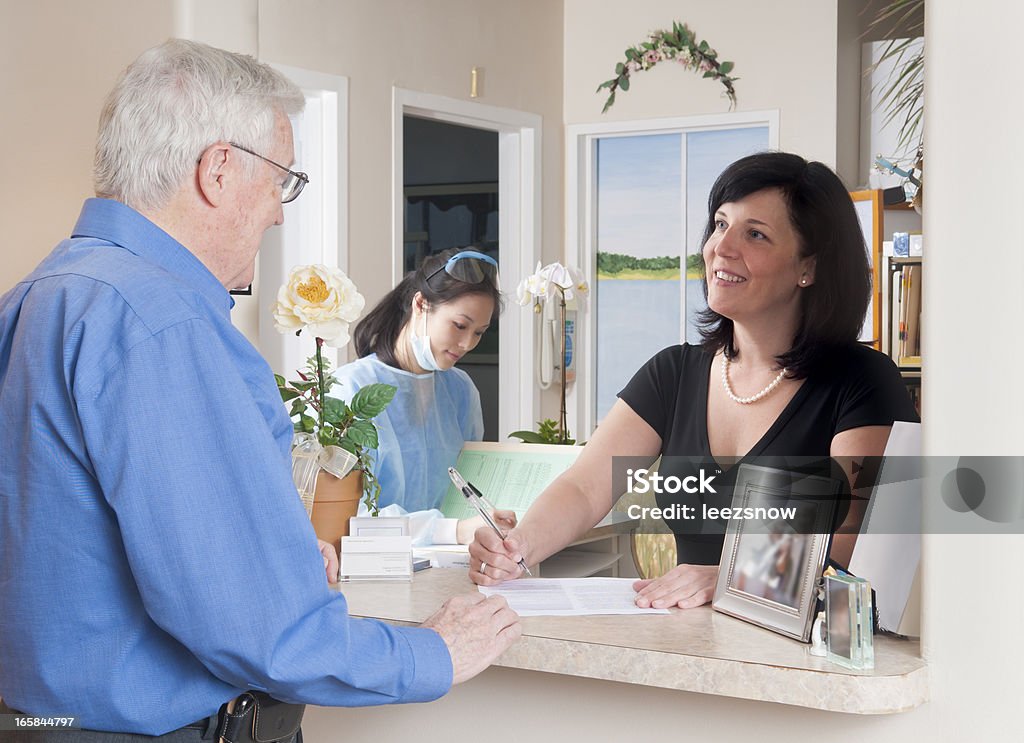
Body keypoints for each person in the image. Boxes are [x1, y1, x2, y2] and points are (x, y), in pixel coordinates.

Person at [0, 39, 519, 740]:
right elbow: (260, 627)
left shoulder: (34, 298)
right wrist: (434, 652)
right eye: (281, 181)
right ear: (216, 170)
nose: (278, 213)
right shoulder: (164, 326)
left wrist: (275, 548)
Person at [469, 151, 919, 609]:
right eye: (721, 224)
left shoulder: (863, 381)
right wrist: (517, 547)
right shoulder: (673, 373)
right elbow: (585, 489)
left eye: (755, 234)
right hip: (692, 643)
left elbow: (856, 539)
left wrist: (732, 577)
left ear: (810, 267)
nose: (721, 248)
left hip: (809, 655)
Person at [337, 248, 514, 546]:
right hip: (373, 570)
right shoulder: (350, 389)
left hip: (449, 564)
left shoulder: (460, 391)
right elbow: (348, 517)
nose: (467, 343)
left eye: (479, 332)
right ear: (421, 304)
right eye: (459, 325)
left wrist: (486, 518)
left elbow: (467, 491)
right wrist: (451, 531)